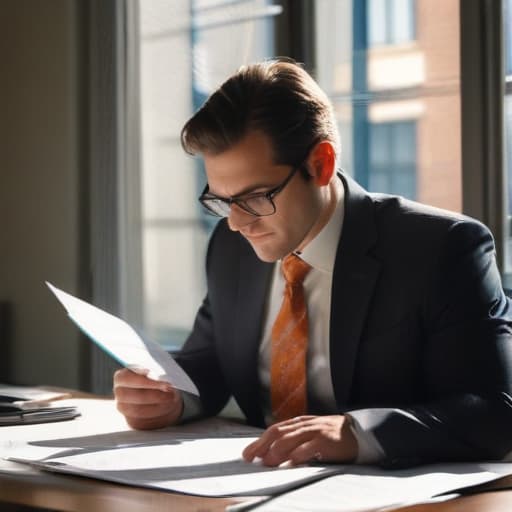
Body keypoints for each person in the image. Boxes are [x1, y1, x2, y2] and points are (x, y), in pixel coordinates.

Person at [114, 59, 512, 469]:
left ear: (320, 164)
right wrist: (173, 395)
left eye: (254, 198)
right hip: (250, 488)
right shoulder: (231, 247)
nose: (236, 222)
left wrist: (356, 433)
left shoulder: (441, 248)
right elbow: (213, 357)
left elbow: (494, 411)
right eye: (222, 200)